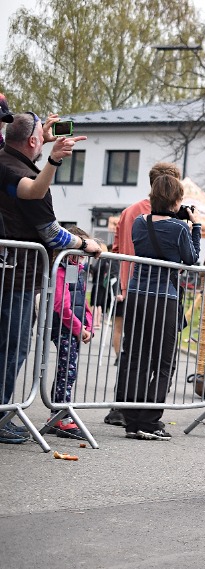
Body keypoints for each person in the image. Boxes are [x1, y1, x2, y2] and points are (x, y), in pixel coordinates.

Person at [0, 112, 95, 445]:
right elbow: (51, 232)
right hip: (17, 277)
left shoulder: (5, 158)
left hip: (16, 273)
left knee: (11, 346)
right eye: (40, 136)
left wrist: (42, 140)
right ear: (32, 141)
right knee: (12, 347)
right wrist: (85, 244)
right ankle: (1, 414)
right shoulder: (18, 172)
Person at [115, 175, 201, 439]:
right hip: (164, 298)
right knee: (164, 361)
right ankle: (150, 420)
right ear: (176, 201)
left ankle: (132, 420)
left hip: (136, 295)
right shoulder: (179, 228)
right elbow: (191, 258)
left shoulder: (139, 223)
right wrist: (195, 226)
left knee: (137, 358)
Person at [103, 161, 184, 428]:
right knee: (160, 356)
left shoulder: (130, 213)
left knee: (133, 353)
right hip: (160, 290)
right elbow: (186, 256)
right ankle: (145, 414)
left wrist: (123, 285)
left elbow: (117, 248)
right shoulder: (169, 217)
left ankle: (123, 408)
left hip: (133, 288)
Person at [47, 227, 96, 440]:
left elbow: (82, 302)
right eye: (81, 252)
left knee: (68, 371)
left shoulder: (75, 270)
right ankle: (61, 417)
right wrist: (79, 328)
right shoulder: (60, 271)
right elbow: (62, 306)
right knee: (67, 371)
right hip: (64, 328)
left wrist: (89, 325)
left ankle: (57, 415)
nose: (84, 257)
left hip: (73, 328)